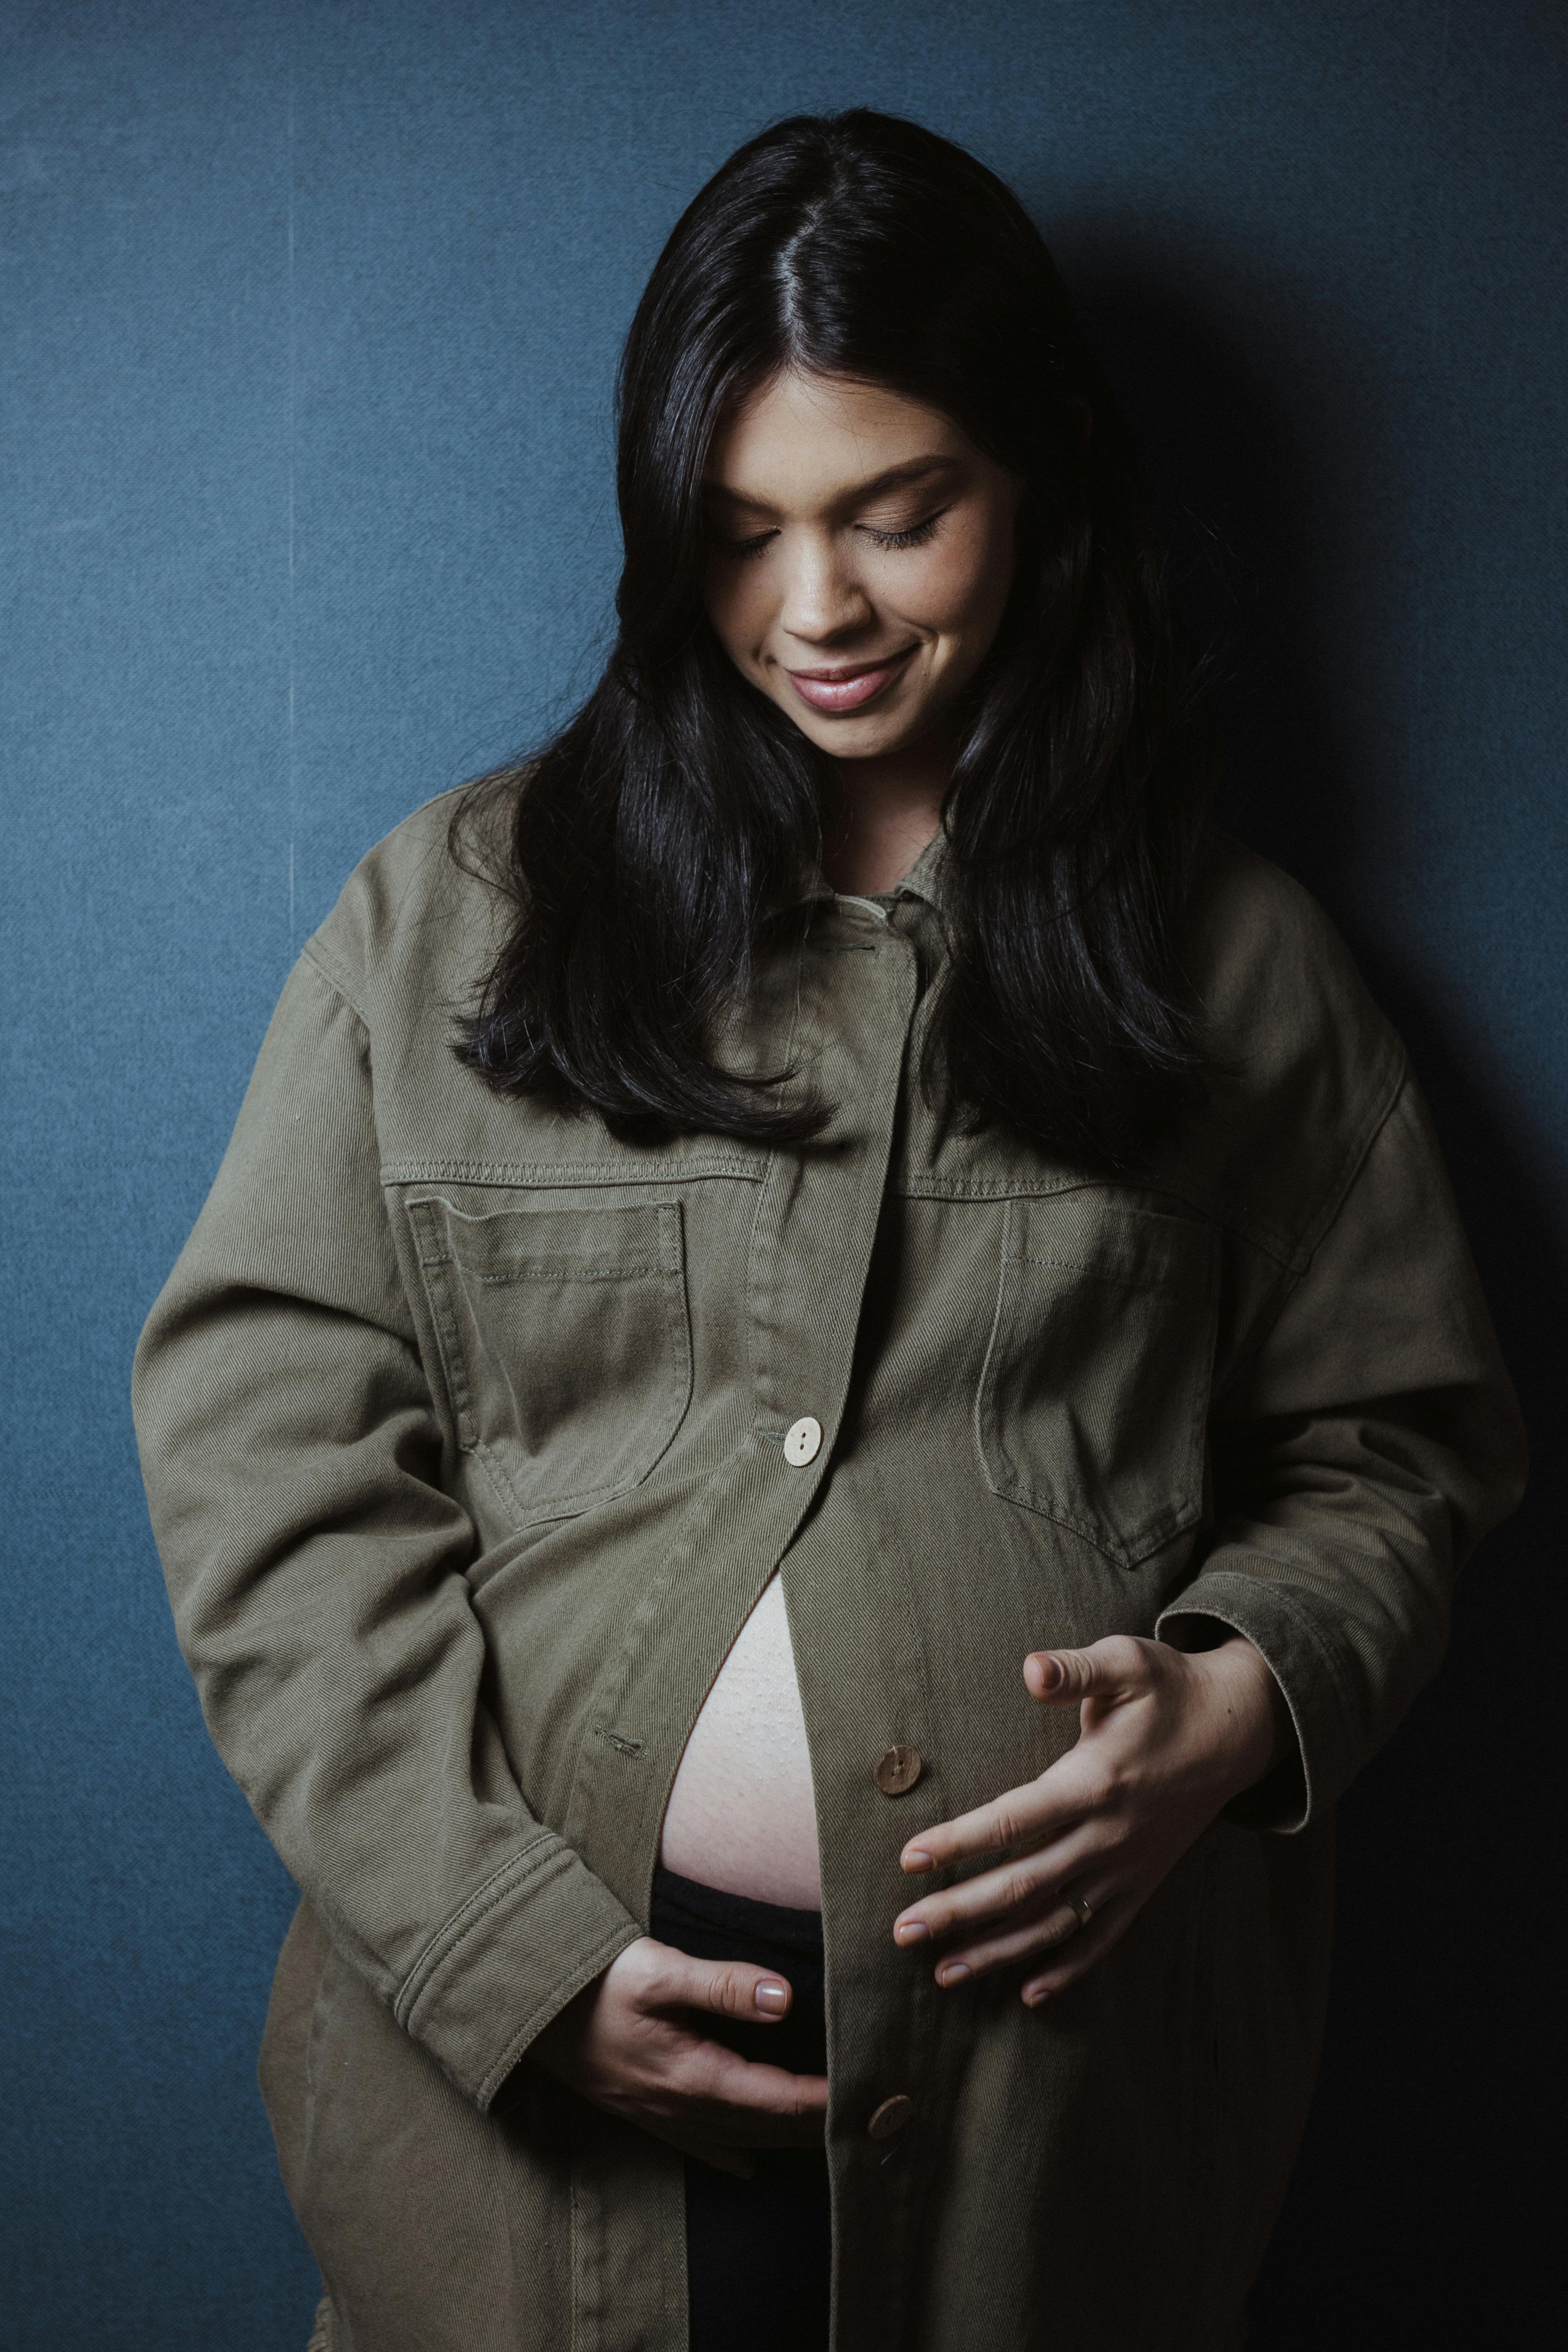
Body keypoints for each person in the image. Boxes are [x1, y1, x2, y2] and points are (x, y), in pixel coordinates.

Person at [132, 109, 1525, 2352]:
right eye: (742, 526)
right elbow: (266, 1475)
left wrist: (1242, 1692)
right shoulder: (447, 922)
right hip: (510, 2165)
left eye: (898, 512)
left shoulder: (1236, 966)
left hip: (1047, 2155)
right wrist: (510, 1948)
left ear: (1041, 481)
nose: (816, 609)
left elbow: (1393, 1448)